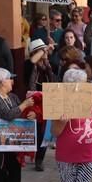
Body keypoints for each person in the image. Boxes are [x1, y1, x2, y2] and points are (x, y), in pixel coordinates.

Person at [24, 38, 56, 171]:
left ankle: (39, 159)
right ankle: (28, 154)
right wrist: (43, 50)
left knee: (45, 132)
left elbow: (54, 80)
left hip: (47, 100)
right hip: (33, 101)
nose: (45, 54)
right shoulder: (29, 64)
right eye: (42, 51)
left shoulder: (48, 65)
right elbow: (32, 61)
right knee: (35, 131)